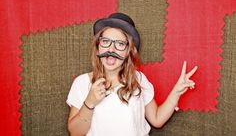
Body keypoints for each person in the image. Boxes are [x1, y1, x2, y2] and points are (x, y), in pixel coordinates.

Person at [66, 13, 198, 136]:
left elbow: (157, 120)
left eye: (120, 44)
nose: (111, 49)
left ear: (129, 51)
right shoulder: (82, 83)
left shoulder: (138, 79)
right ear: (98, 45)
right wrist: (90, 102)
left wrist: (177, 91)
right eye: (105, 41)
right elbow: (75, 133)